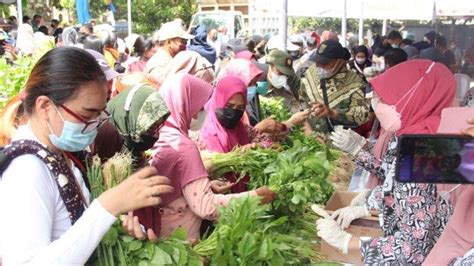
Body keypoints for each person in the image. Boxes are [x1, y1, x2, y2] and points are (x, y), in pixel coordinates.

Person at [0, 47, 174, 264]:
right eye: (87, 114)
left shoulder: (61, 156)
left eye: (100, 113)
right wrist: (105, 207)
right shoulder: (26, 171)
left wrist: (114, 223)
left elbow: (71, 230)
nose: (95, 125)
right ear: (45, 106)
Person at [319, 60, 457, 264]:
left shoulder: (422, 155)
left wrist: (348, 242)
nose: (377, 104)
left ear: (412, 99)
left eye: (384, 98)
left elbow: (413, 251)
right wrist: (374, 199)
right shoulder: (425, 136)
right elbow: (403, 189)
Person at [143, 73, 275, 242]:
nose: (198, 115)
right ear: (182, 104)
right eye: (196, 108)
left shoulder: (161, 133)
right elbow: (205, 206)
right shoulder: (184, 147)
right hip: (180, 237)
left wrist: (208, 186)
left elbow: (175, 185)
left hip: (163, 228)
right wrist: (255, 196)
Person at [301, 39, 369, 134]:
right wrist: (306, 127)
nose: (318, 66)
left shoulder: (355, 82)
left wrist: (334, 113)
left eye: (324, 63)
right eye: (317, 61)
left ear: (340, 62)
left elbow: (363, 115)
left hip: (339, 142)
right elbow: (300, 102)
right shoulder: (309, 73)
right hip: (309, 138)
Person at [265, 49, 302, 113]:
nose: (284, 76)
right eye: (280, 72)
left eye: (285, 73)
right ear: (271, 65)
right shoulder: (260, 83)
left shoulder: (292, 78)